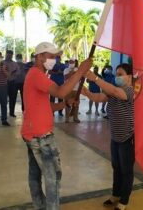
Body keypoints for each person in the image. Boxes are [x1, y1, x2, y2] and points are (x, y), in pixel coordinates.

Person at [22, 42, 92, 210]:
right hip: (40, 135)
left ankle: (39, 206)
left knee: (35, 174)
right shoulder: (36, 74)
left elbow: (44, 105)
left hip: (32, 132)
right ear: (39, 56)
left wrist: (64, 104)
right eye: (51, 56)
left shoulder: (38, 75)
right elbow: (60, 91)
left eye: (55, 57)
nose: (54, 60)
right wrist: (81, 71)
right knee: (53, 178)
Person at [82, 63, 134, 210]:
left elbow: (117, 93)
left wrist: (96, 79)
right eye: (116, 74)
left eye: (120, 74)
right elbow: (98, 97)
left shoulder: (130, 91)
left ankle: (124, 200)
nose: (117, 77)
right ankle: (115, 195)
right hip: (115, 137)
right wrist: (85, 92)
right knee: (116, 167)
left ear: (129, 77)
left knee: (126, 170)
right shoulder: (113, 91)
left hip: (127, 137)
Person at [63, 59, 81, 123]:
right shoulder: (66, 70)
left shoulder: (78, 69)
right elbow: (66, 77)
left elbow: (80, 78)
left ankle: (75, 117)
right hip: (68, 89)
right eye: (70, 62)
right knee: (67, 104)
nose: (72, 63)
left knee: (76, 104)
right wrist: (72, 72)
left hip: (76, 89)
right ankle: (67, 118)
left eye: (73, 62)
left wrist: (76, 72)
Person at [5, 50, 20, 117]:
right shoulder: (2, 63)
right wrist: (10, 73)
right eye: (8, 55)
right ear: (6, 54)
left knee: (13, 98)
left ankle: (12, 112)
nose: (9, 56)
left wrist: (12, 73)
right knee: (4, 99)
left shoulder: (15, 63)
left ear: (12, 55)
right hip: (4, 83)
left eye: (10, 55)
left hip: (13, 83)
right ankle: (4, 113)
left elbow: (18, 72)